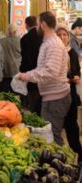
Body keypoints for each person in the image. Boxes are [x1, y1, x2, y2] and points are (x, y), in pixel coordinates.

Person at [19, 11, 71, 146]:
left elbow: (50, 72)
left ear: (43, 25)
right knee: (49, 136)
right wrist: (27, 75)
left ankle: (65, 165)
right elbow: (43, 69)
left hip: (56, 99)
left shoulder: (53, 44)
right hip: (51, 97)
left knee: (52, 138)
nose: (36, 29)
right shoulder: (48, 43)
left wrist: (27, 76)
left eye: (38, 25)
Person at [56, 25, 82, 162]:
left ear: (68, 37)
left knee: (72, 125)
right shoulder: (53, 53)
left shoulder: (72, 53)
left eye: (64, 34)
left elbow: (76, 70)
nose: (62, 37)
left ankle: (78, 153)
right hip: (56, 95)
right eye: (59, 35)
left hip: (70, 93)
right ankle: (59, 158)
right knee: (57, 127)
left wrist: (77, 76)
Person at [20, 16, 43, 115]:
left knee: (34, 107)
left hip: (32, 77)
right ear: (37, 24)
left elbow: (26, 59)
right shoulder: (43, 36)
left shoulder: (25, 38)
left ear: (26, 25)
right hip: (44, 76)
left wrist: (23, 72)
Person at [0, 24, 21, 92]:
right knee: (17, 96)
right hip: (16, 72)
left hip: (3, 72)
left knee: (5, 96)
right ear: (14, 32)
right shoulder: (20, 41)